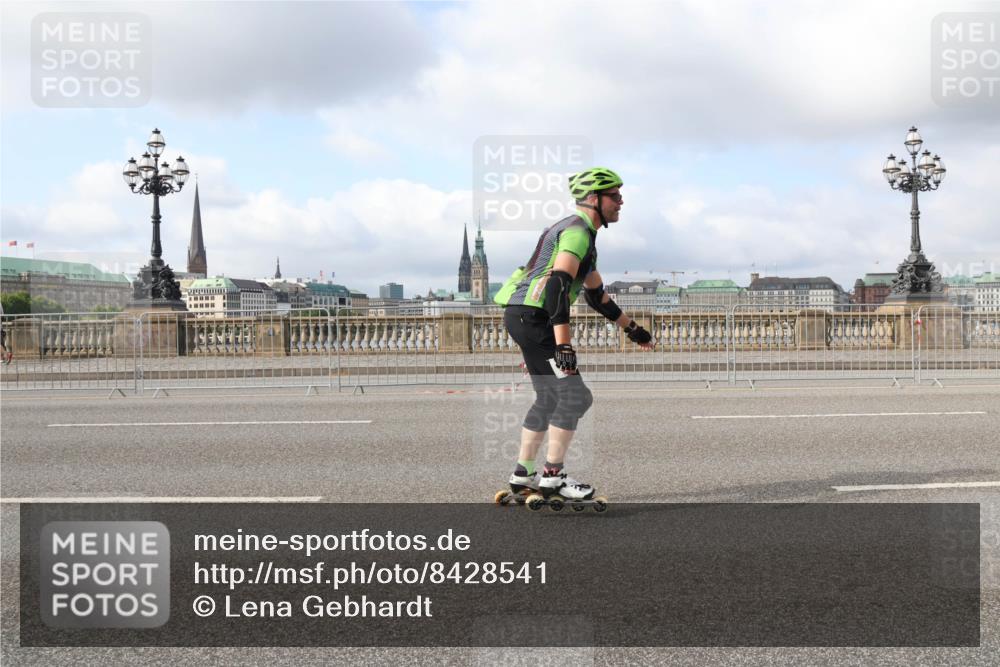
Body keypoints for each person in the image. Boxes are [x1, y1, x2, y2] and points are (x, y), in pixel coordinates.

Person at [493, 167, 654, 502]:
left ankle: (523, 474)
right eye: (614, 195)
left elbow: (597, 297)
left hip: (523, 315)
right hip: (536, 318)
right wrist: (563, 342)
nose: (621, 201)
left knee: (549, 397)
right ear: (594, 199)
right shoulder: (577, 232)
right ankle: (552, 476)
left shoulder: (580, 236)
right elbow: (557, 284)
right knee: (575, 396)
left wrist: (635, 331)